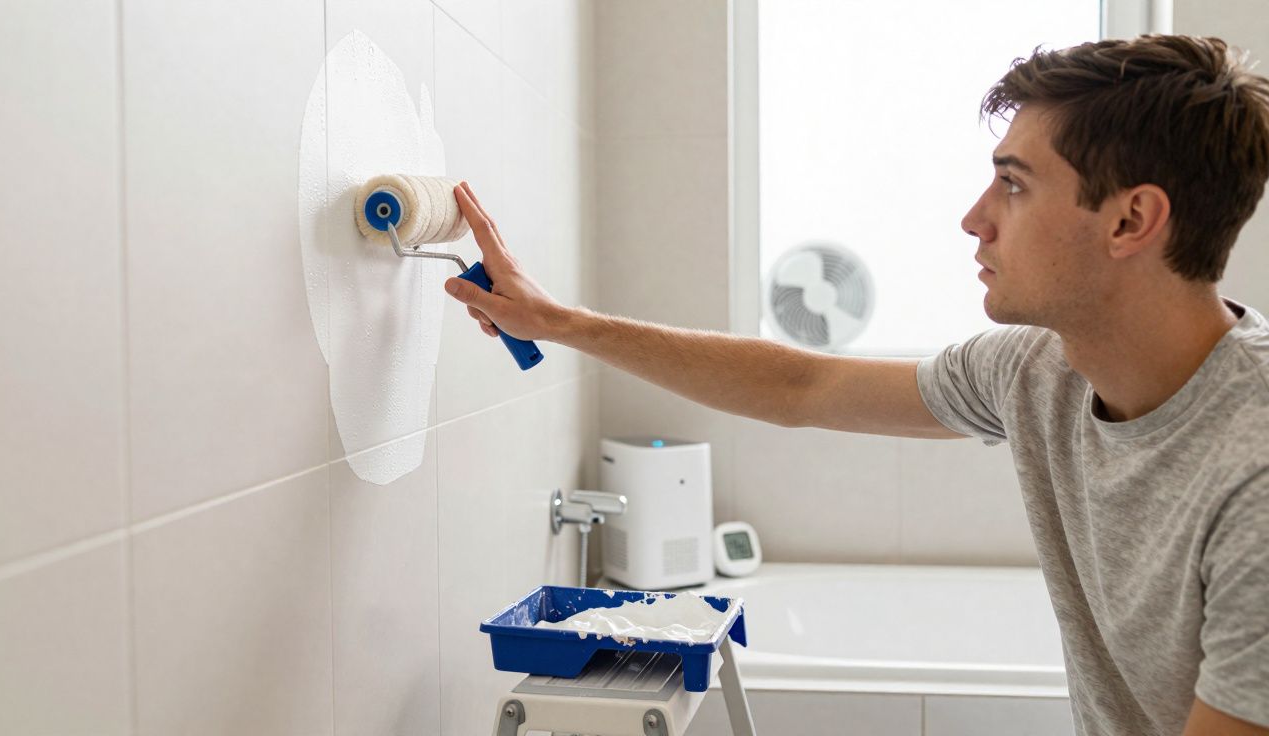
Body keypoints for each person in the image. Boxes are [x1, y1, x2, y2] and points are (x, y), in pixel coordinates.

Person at [444, 34, 1269, 736]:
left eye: (1014, 184)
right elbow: (803, 386)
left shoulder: (1254, 465)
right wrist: (562, 324)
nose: (975, 218)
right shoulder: (1037, 368)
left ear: (1130, 220)